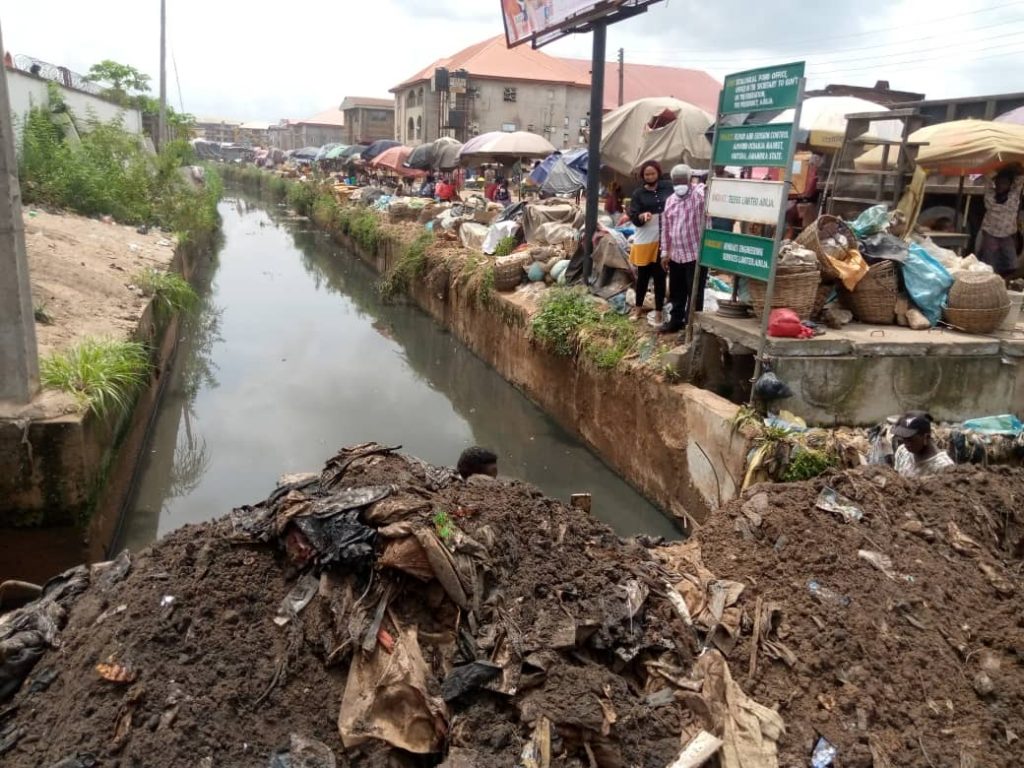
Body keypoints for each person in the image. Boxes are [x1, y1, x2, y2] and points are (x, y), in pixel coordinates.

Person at [659, 164, 707, 334]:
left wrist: (701, 184)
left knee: (694, 292)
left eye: (682, 180)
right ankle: (675, 321)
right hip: (676, 255)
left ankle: (691, 325)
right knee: (676, 291)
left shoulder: (698, 195)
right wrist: (665, 253)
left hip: (695, 254)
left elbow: (705, 190)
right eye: (676, 181)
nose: (679, 184)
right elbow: (666, 228)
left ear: (688, 180)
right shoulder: (670, 200)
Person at [627, 160, 672, 322]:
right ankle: (638, 310)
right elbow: (633, 216)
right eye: (647, 174)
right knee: (643, 277)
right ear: (642, 176)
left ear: (658, 173)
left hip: (663, 239)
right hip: (645, 239)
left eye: (652, 173)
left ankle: (659, 311)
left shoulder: (668, 187)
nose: (650, 176)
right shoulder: (638, 194)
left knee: (660, 275)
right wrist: (642, 216)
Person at [980, 164, 1024, 279]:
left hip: (1007, 235)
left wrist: (1015, 168)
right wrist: (997, 168)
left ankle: (1007, 282)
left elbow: (1019, 182)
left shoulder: (1013, 197)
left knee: (1011, 263)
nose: (1000, 185)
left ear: (1009, 185)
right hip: (991, 233)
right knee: (990, 264)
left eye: (1004, 183)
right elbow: (987, 179)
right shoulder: (990, 196)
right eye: (999, 182)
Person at [892, 412, 954, 477]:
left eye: (910, 439)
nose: (906, 444)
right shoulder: (902, 452)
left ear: (926, 437)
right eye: (904, 438)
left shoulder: (944, 467)